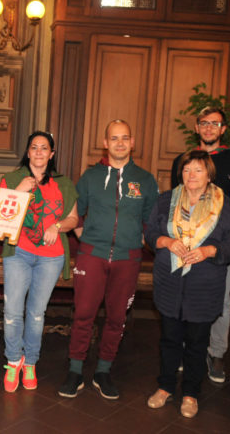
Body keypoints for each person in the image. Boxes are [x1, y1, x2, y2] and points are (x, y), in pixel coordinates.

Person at [58, 119, 159, 400]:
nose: (119, 143)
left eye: (124, 138)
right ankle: (75, 370)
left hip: (127, 260)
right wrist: (86, 239)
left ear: (132, 142)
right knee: (83, 315)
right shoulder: (90, 177)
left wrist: (132, 244)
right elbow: (75, 215)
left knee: (116, 318)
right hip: (92, 256)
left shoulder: (146, 180)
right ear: (105, 142)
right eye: (114, 138)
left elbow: (151, 223)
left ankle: (103, 370)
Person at [145, 150, 230, 418]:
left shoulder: (225, 204)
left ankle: (190, 394)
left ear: (209, 174)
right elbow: (151, 232)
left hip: (204, 284)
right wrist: (167, 242)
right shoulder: (166, 200)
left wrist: (208, 251)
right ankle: (164, 388)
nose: (191, 176)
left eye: (198, 170)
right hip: (170, 282)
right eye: (187, 170)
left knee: (198, 344)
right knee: (169, 339)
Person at [0, 131, 78, 392]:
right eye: (35, 147)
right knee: (12, 312)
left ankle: (30, 362)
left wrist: (57, 225)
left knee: (35, 313)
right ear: (28, 151)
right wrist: (18, 192)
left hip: (51, 257)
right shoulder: (11, 179)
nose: (40, 152)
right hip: (18, 252)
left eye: (45, 148)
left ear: (52, 154)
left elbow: (73, 219)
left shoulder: (63, 183)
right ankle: (13, 361)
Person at [171, 106, 230, 384]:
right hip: (187, 241)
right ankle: (189, 350)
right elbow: (176, 200)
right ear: (197, 127)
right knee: (186, 296)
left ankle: (217, 353)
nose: (209, 128)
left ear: (223, 129)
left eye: (215, 123)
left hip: (220, 244)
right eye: (204, 123)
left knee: (221, 300)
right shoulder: (183, 159)